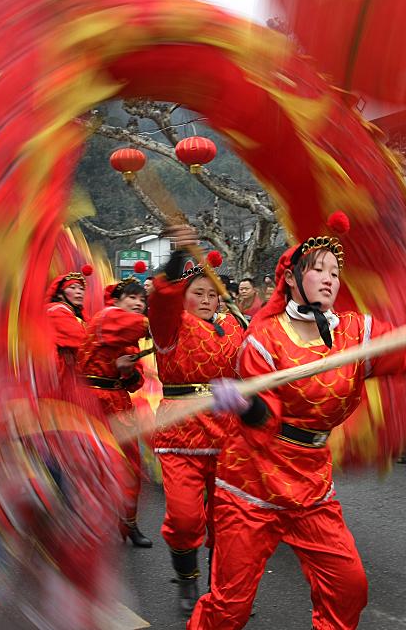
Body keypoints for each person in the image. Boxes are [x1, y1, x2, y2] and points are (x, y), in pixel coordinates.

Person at [187, 222, 406, 629]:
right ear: (290, 278)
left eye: (335, 273)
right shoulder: (263, 339)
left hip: (311, 481)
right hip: (250, 481)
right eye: (318, 269)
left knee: (347, 585)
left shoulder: (357, 332)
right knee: (230, 605)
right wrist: (246, 405)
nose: (329, 279)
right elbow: (264, 423)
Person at [148, 226, 246, 614]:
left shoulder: (236, 325)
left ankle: (222, 591)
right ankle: (187, 580)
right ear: (184, 297)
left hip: (229, 433)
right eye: (197, 293)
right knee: (187, 517)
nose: (205, 300)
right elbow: (162, 298)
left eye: (211, 294)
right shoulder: (170, 326)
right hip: (181, 433)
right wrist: (177, 254)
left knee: (228, 520)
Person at [77, 276, 153, 546]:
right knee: (92, 464)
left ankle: (128, 524)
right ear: (117, 301)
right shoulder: (107, 318)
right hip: (92, 402)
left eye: (142, 300)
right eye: (132, 297)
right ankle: (86, 526)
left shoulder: (130, 338)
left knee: (131, 464)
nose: (138, 303)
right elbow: (134, 325)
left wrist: (127, 370)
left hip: (119, 401)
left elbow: (137, 383)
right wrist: (166, 321)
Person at [43, 266, 92, 378]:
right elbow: (82, 341)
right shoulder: (56, 311)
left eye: (81, 289)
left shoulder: (70, 313)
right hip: (58, 376)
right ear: (60, 294)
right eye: (73, 287)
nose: (79, 292)